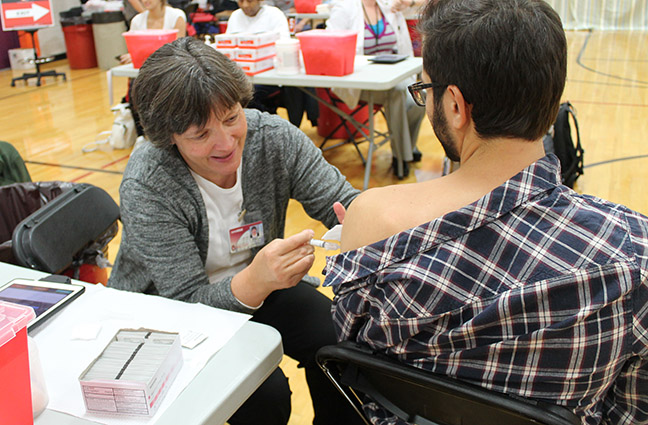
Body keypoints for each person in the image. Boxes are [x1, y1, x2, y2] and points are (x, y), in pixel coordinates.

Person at [324, 0, 648, 424]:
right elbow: (632, 410)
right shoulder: (632, 249)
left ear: (455, 106)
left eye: (426, 91)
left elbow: (361, 369)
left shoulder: (374, 220)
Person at [108, 37, 363, 425]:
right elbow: (184, 302)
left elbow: (345, 205)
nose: (226, 143)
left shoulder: (273, 139)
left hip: (258, 287)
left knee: (343, 343)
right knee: (264, 393)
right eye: (200, 134)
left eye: (231, 118)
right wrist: (256, 281)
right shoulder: (149, 182)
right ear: (168, 136)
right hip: (171, 314)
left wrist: (373, 224)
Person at [326, 0, 425, 178]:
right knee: (397, 93)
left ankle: (407, 146)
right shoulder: (345, 8)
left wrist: (407, 4)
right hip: (360, 82)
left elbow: (418, 9)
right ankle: (400, 158)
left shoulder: (389, 5)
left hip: (394, 76)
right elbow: (332, 45)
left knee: (420, 97)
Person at [227, 0, 319, 128]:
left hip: (269, 76)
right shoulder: (235, 17)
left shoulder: (274, 15)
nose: (245, 5)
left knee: (249, 96)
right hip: (243, 76)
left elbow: (284, 49)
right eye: (241, 1)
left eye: (249, 1)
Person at [119, 0, 187, 65]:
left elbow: (179, 49)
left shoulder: (177, 16)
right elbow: (134, 51)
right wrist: (132, 57)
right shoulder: (136, 20)